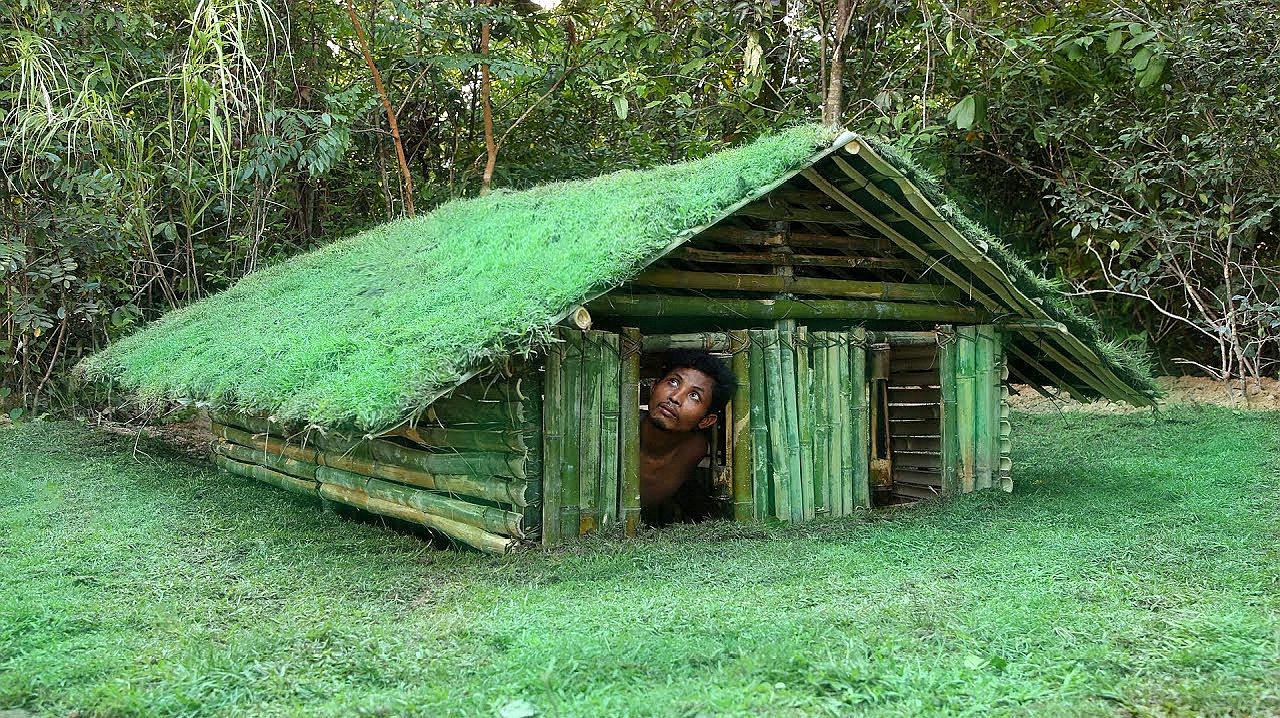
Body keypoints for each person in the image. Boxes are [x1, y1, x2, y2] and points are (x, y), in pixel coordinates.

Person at [639, 350, 738, 511]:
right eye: (673, 382)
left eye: (694, 395)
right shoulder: (614, 431)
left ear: (706, 421)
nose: (675, 398)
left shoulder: (694, 449)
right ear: (654, 387)